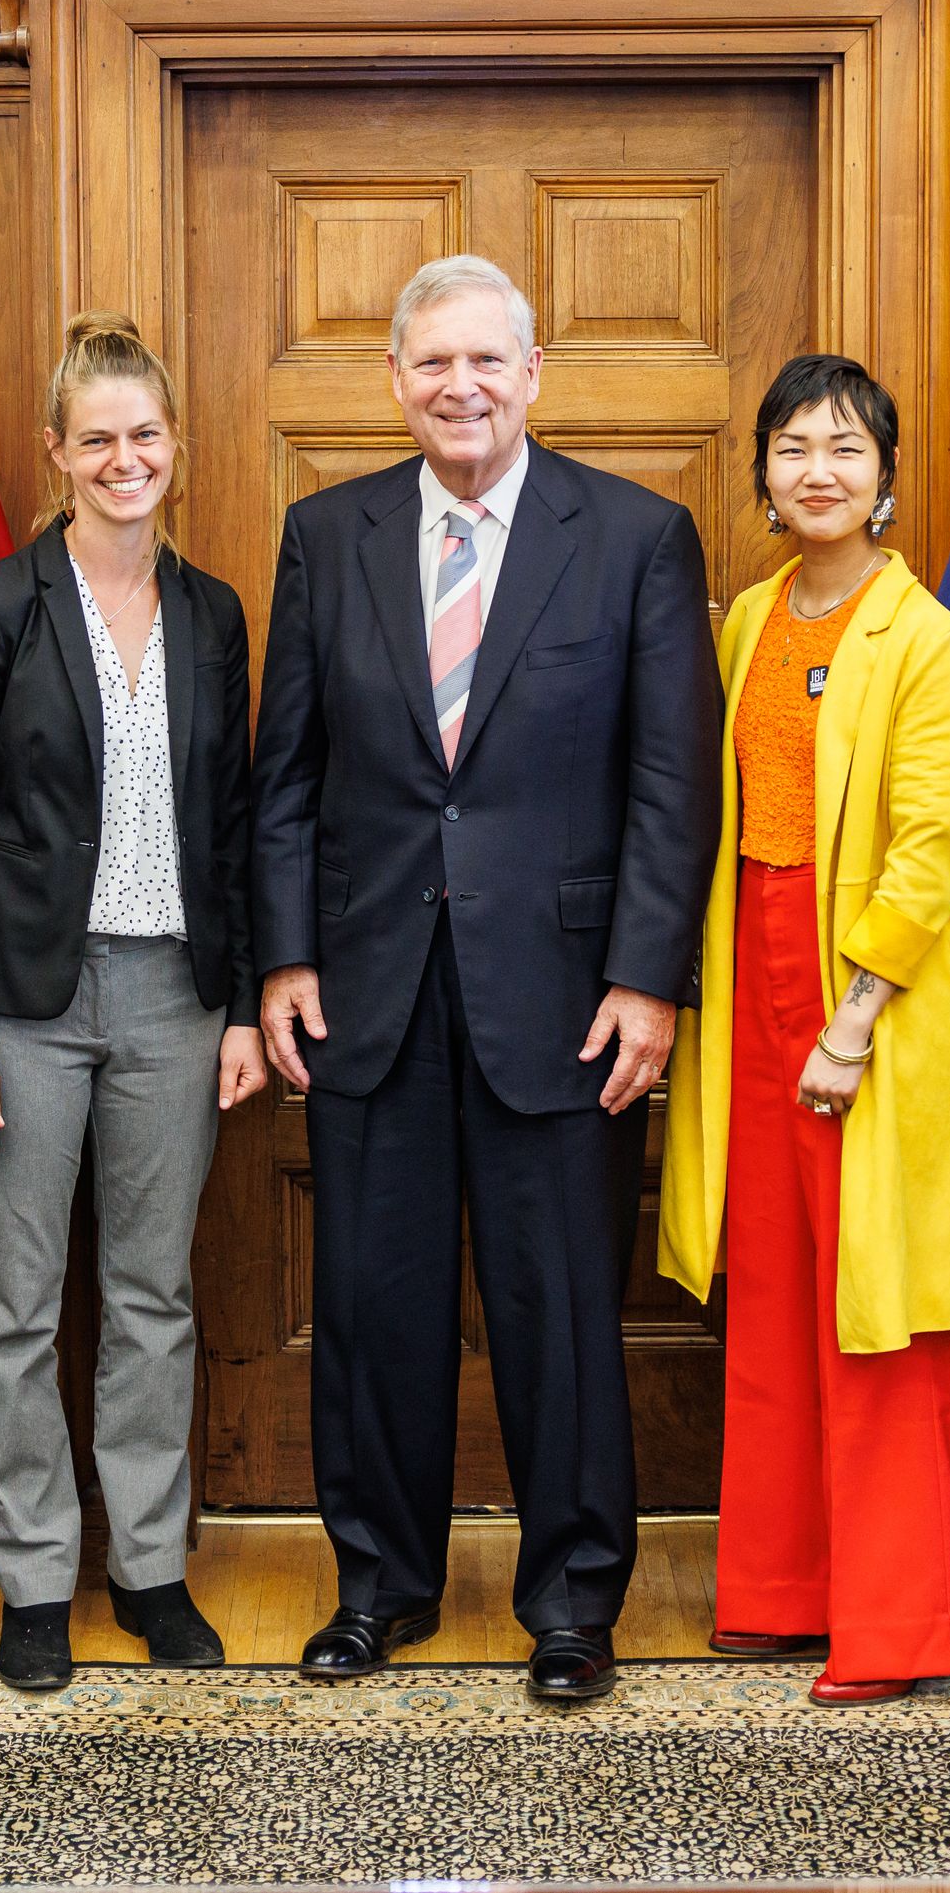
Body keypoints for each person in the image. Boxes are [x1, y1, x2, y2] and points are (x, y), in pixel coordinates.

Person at [250, 253, 720, 1703]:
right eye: (433, 361)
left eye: (487, 361)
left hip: (567, 994)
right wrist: (282, 954)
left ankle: (575, 1599)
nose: (461, 385)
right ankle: (378, 1585)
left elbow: (672, 777)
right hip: (368, 990)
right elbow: (287, 775)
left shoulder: (637, 534)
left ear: (533, 376)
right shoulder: (328, 534)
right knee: (372, 1303)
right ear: (395, 380)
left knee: (560, 1304)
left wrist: (649, 977)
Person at [0, 314, 264, 1690]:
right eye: (97, 436)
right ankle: (34, 1576)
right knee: (11, 1303)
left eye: (146, 435)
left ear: (175, 450)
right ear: (57, 453)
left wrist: (235, 1004)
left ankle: (152, 1568)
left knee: (150, 1294)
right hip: (22, 1006)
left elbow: (230, 823)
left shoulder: (215, 611)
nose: (125, 458)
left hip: (176, 994)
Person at [655, 355, 950, 1705]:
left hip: (873, 1007)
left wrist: (852, 1018)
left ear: (887, 476)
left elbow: (926, 852)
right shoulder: (744, 624)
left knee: (879, 1315)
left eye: (846, 447)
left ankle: (897, 1626)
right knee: (779, 1297)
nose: (819, 471)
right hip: (748, 978)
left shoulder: (930, 639)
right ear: (764, 475)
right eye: (793, 447)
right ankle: (784, 1590)